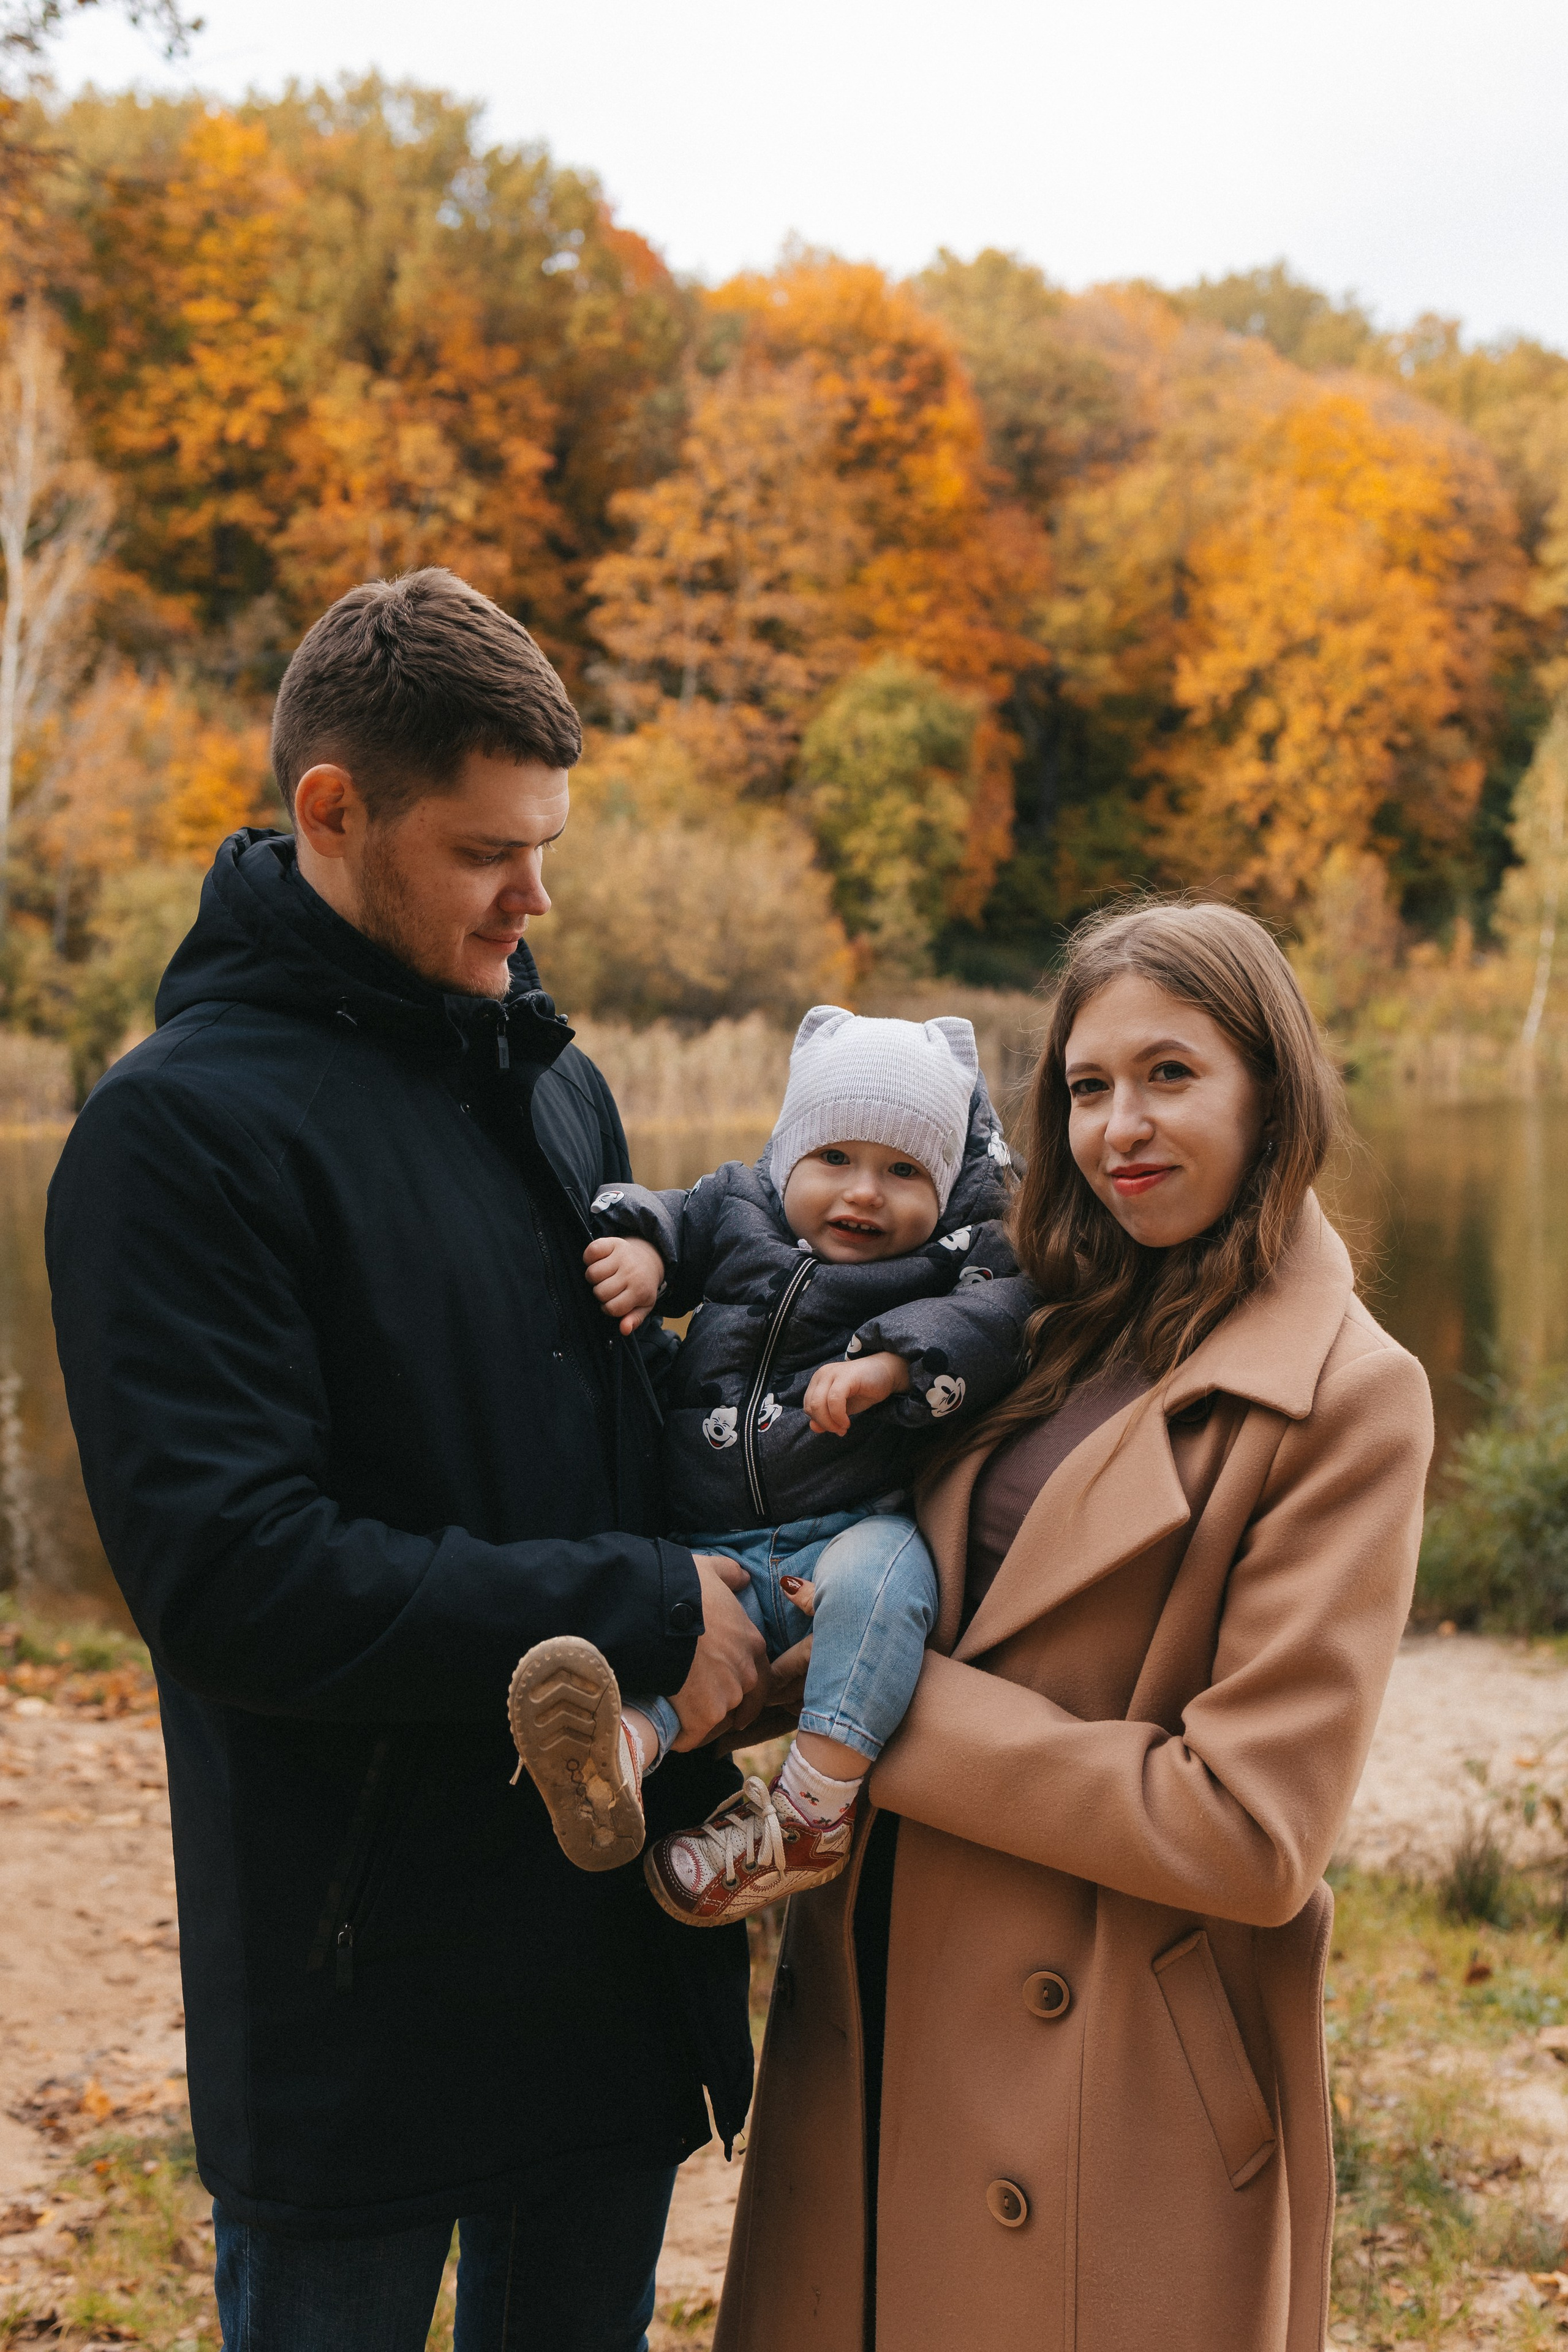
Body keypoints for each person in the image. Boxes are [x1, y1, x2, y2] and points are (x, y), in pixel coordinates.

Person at [45, 568, 771, 2352]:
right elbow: (236, 1581)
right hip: (357, 1989)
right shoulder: (176, 1135)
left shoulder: (551, 1085)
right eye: (484, 852)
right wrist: (647, 1603)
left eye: (548, 847)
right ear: (332, 813)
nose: (536, 897)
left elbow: (613, 1440)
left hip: (603, 1962)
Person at [715, 900, 1434, 2352]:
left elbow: (1247, 1828)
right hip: (883, 2010)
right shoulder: (1036, 1320)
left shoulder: (1348, 1395)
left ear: (1267, 1090)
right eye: (1088, 1087)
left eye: (1171, 1075)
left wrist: (875, 1709)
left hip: (1103, 2071)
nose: (1121, 1126)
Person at [507, 1006, 1036, 1928]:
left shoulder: (952, 1261)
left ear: (943, 1186)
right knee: (681, 1630)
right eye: (835, 1159)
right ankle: (618, 1756)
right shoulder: (742, 1208)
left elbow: (996, 1324)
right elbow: (671, 1216)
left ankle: (811, 1812)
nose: (863, 1194)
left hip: (846, 1526)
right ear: (790, 1157)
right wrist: (642, 1250)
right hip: (712, 1537)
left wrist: (889, 1365)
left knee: (888, 1584)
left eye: (904, 1171)